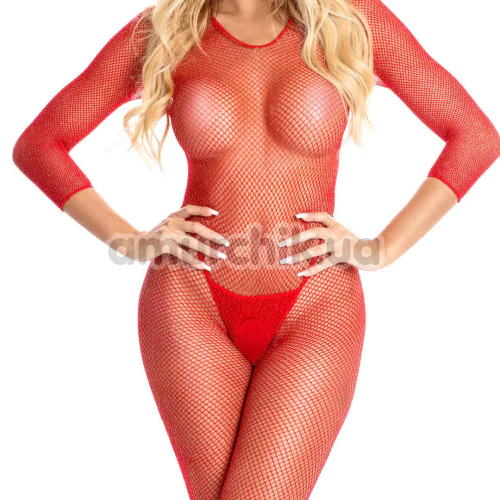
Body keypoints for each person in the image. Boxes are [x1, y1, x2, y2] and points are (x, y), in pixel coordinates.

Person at [11, 0, 500, 498]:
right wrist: (132, 241)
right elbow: (39, 145)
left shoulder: (348, 17)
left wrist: (383, 248)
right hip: (190, 299)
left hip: (316, 305)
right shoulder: (164, 29)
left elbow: (475, 137)